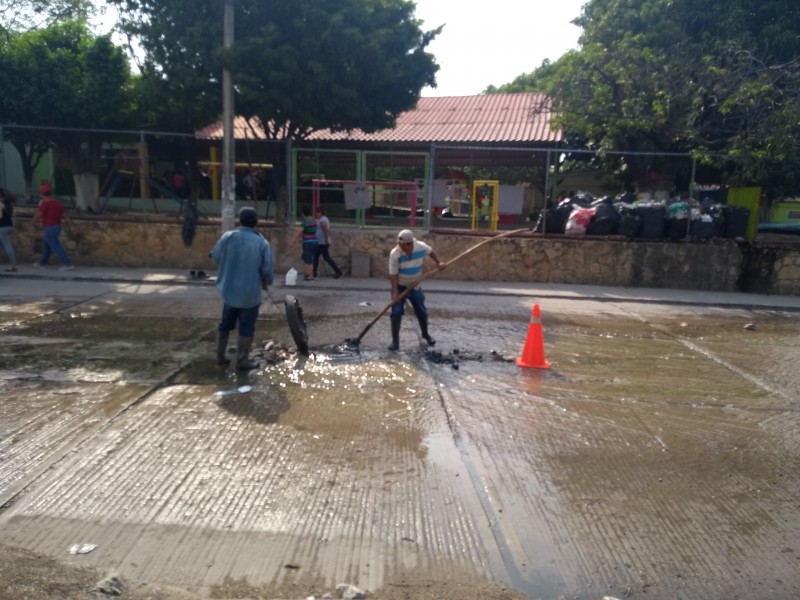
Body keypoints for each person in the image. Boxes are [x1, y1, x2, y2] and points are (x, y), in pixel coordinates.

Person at [209, 207, 274, 371]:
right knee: (246, 327)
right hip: (249, 293)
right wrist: (266, 281)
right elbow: (267, 269)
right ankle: (242, 361)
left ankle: (220, 358)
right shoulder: (262, 243)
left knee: (224, 325)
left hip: (229, 292)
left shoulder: (227, 237)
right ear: (256, 222)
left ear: (240, 221)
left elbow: (215, 257)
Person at [387, 229, 446, 351]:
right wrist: (395, 293)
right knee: (396, 313)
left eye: (404, 246)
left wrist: (439, 263)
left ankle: (425, 334)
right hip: (400, 285)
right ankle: (395, 342)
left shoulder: (420, 247)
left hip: (415, 286)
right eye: (400, 245)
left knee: (422, 311)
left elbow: (431, 252)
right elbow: (393, 275)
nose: (401, 248)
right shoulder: (395, 253)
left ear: (410, 244)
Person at [32, 183, 76, 271]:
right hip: (57, 226)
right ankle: (42, 263)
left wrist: (32, 223)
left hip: (49, 227)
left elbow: (38, 214)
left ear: (41, 194)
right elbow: (65, 215)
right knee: (47, 245)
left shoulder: (44, 203)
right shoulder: (57, 202)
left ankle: (68, 263)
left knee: (56, 246)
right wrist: (71, 226)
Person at [313, 207, 343, 279]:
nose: (316, 214)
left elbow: (325, 230)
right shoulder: (322, 219)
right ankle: (314, 272)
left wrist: (328, 239)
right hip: (320, 242)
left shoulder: (323, 220)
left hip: (322, 242)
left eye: (317, 212)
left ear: (320, 212)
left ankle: (338, 271)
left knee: (325, 258)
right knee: (318, 257)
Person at [293, 206, 317, 281]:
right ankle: (311, 274)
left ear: (303, 214)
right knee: (311, 259)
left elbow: (299, 232)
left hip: (308, 243)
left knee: (307, 260)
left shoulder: (305, 222)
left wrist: (293, 241)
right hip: (315, 242)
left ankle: (309, 275)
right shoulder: (314, 220)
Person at [0, 188, 18, 272]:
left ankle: (13, 265)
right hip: (9, 225)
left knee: (7, 246)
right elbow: (13, 215)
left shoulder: (0, 203)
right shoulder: (9, 203)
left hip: (2, 226)